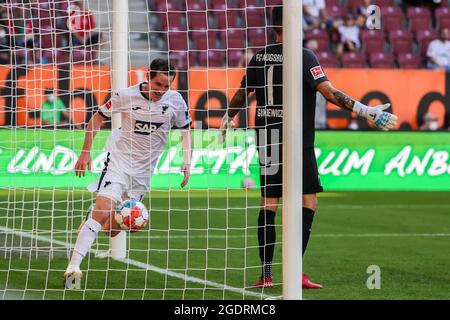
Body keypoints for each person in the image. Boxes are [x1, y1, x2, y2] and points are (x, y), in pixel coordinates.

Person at [220, 6, 398, 290]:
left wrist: (227, 117)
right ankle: (295, 271)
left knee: (269, 203)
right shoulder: (304, 56)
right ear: (292, 25)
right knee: (308, 200)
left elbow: (242, 94)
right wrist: (366, 111)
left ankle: (266, 274)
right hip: (296, 140)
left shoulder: (258, 57)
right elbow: (329, 93)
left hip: (267, 138)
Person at [64, 58, 192, 288]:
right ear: (148, 78)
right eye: (158, 84)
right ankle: (73, 267)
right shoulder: (125, 95)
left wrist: (187, 162)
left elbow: (185, 131)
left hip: (143, 174)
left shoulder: (175, 101)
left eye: (167, 86)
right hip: (119, 163)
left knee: (114, 228)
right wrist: (85, 152)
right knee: (102, 211)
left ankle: (92, 220)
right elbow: (97, 119)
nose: (162, 91)